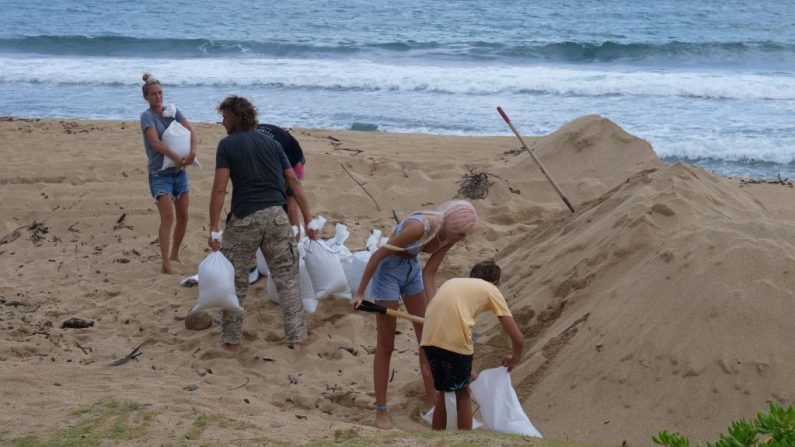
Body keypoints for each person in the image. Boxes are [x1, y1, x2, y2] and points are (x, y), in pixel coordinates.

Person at [350, 200, 478, 429]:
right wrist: (360, 292)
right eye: (460, 234)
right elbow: (379, 254)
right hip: (388, 272)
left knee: (428, 340)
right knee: (386, 345)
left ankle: (433, 401)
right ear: (450, 224)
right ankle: (381, 409)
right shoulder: (419, 227)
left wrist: (437, 308)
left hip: (412, 272)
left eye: (464, 236)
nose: (461, 240)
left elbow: (429, 274)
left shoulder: (448, 237)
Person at [208, 95, 318, 352]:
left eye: (224, 117)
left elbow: (219, 189)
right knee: (287, 280)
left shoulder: (227, 145)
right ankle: (297, 340)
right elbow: (293, 183)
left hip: (245, 218)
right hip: (277, 218)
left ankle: (232, 342)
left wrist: (214, 229)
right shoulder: (272, 144)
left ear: (234, 117)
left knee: (235, 282)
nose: (222, 122)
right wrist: (309, 222)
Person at [420, 260, 524, 431]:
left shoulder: (452, 282)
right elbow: (518, 338)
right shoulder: (490, 289)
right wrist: (515, 359)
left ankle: (434, 438)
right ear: (495, 282)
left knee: (444, 393)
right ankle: (465, 440)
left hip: (428, 338)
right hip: (453, 340)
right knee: (463, 394)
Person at [139, 72, 197, 274]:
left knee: (184, 215)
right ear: (146, 97)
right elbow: (155, 143)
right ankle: (165, 262)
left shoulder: (172, 111)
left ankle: (175, 254)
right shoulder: (147, 117)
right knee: (168, 217)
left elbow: (191, 131)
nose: (158, 97)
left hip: (179, 172)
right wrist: (175, 156)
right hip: (160, 174)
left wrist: (193, 152)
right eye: (153, 94)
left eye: (160, 93)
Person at [255, 123, 306, 229]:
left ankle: (295, 242)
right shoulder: (245, 141)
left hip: (295, 162)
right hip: (277, 158)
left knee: (290, 204)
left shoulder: (269, 149)